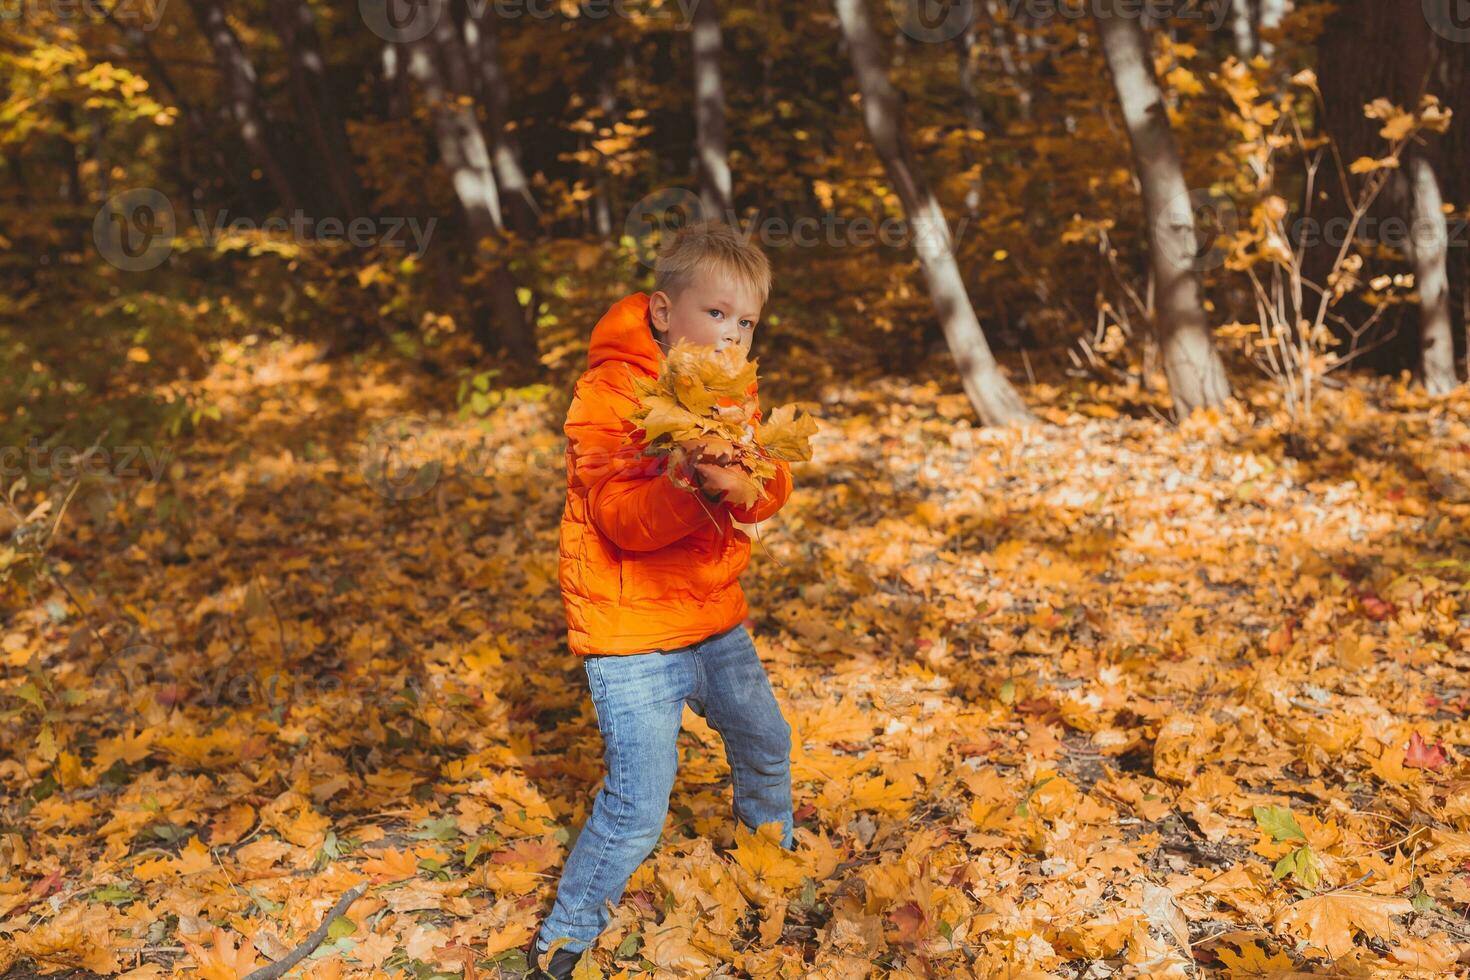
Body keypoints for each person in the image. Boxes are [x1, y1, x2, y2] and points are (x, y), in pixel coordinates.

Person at [529, 221, 795, 979]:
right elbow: (620, 518)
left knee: (766, 742)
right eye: (716, 315)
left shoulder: (731, 392)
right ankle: (567, 930)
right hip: (632, 635)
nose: (732, 338)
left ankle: (767, 863)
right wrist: (683, 479)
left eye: (745, 324)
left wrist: (749, 477)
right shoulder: (607, 394)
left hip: (712, 618)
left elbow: (762, 494)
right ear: (661, 311)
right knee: (638, 806)